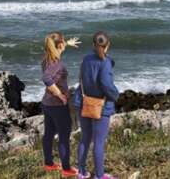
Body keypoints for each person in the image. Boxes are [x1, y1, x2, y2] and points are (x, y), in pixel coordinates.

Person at [73, 32, 120, 179]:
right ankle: (99, 176)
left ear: (93, 45)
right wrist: (116, 95)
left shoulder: (86, 59)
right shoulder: (105, 62)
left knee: (85, 138)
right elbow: (106, 84)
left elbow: (82, 80)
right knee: (98, 142)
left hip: (83, 102)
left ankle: (81, 172)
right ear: (108, 45)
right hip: (101, 106)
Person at [41, 32, 81, 177]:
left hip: (47, 103)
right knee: (64, 136)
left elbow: (48, 72)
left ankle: (49, 164)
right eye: (63, 42)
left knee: (49, 134)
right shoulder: (57, 63)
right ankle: (66, 169)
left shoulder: (46, 58)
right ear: (59, 45)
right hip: (57, 106)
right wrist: (60, 95)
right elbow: (46, 78)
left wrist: (66, 44)